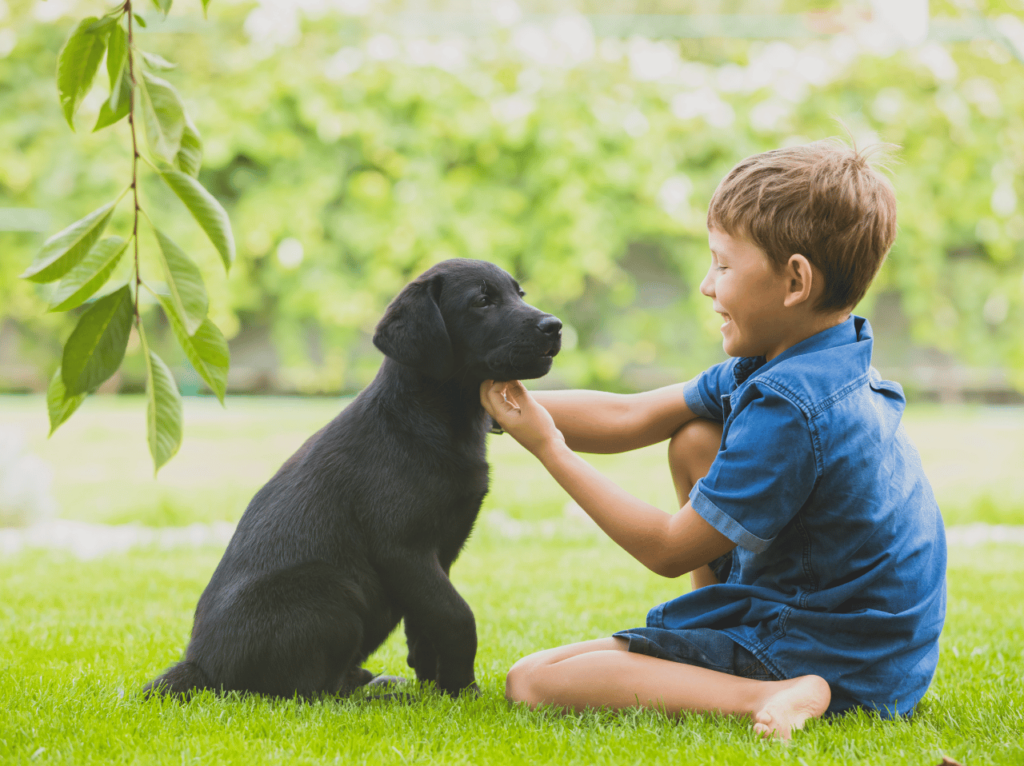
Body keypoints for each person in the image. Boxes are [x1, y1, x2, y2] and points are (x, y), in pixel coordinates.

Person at [479, 139, 947, 741]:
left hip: (834, 656)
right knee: (696, 436)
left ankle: (772, 691)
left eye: (722, 265)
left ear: (795, 281)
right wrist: (483, 406)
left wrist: (548, 447)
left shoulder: (790, 407)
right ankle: (723, 646)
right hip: (880, 654)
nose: (706, 285)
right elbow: (631, 415)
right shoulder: (810, 357)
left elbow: (669, 551)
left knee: (533, 681)